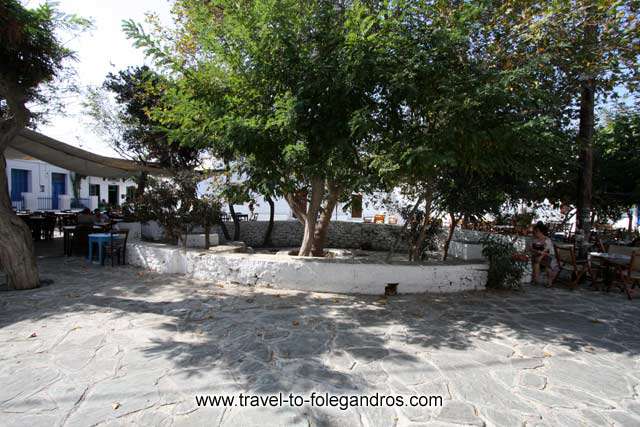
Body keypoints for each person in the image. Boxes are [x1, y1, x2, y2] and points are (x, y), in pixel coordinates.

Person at [530, 221, 559, 287]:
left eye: (536, 232)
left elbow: (546, 251)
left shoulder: (547, 240)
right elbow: (531, 248)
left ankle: (549, 281)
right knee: (535, 260)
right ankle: (536, 279)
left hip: (549, 256)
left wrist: (540, 256)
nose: (534, 233)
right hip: (539, 255)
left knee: (540, 262)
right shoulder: (534, 239)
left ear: (540, 232)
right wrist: (537, 252)